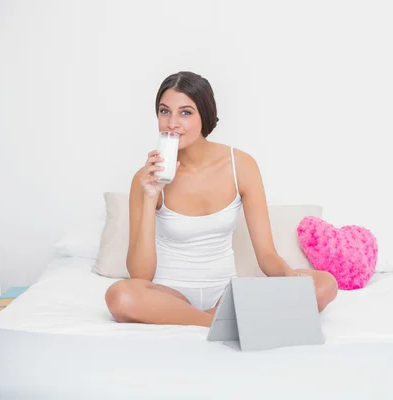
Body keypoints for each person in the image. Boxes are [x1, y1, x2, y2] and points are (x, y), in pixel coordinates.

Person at [105, 71, 338, 327]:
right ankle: (218, 323)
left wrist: (290, 279)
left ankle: (220, 316)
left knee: (323, 285)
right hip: (168, 296)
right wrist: (150, 198)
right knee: (120, 296)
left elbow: (266, 255)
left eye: (185, 112)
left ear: (204, 115)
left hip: (226, 295)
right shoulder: (146, 178)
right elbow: (140, 276)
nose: (172, 122)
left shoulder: (241, 166)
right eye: (164, 111)